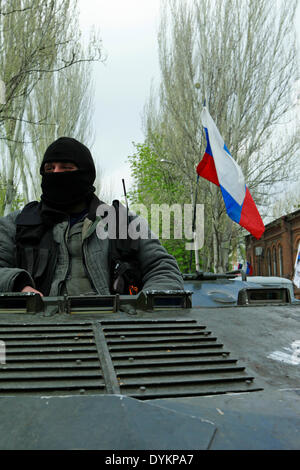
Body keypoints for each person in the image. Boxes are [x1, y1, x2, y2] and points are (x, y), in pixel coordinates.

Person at [0, 137, 184, 297]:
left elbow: (163, 268)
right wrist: (18, 284)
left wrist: (144, 309)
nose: (56, 174)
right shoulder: (17, 224)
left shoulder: (122, 223)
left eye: (65, 168)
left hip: (116, 328)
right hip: (36, 328)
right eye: (49, 169)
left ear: (85, 174)